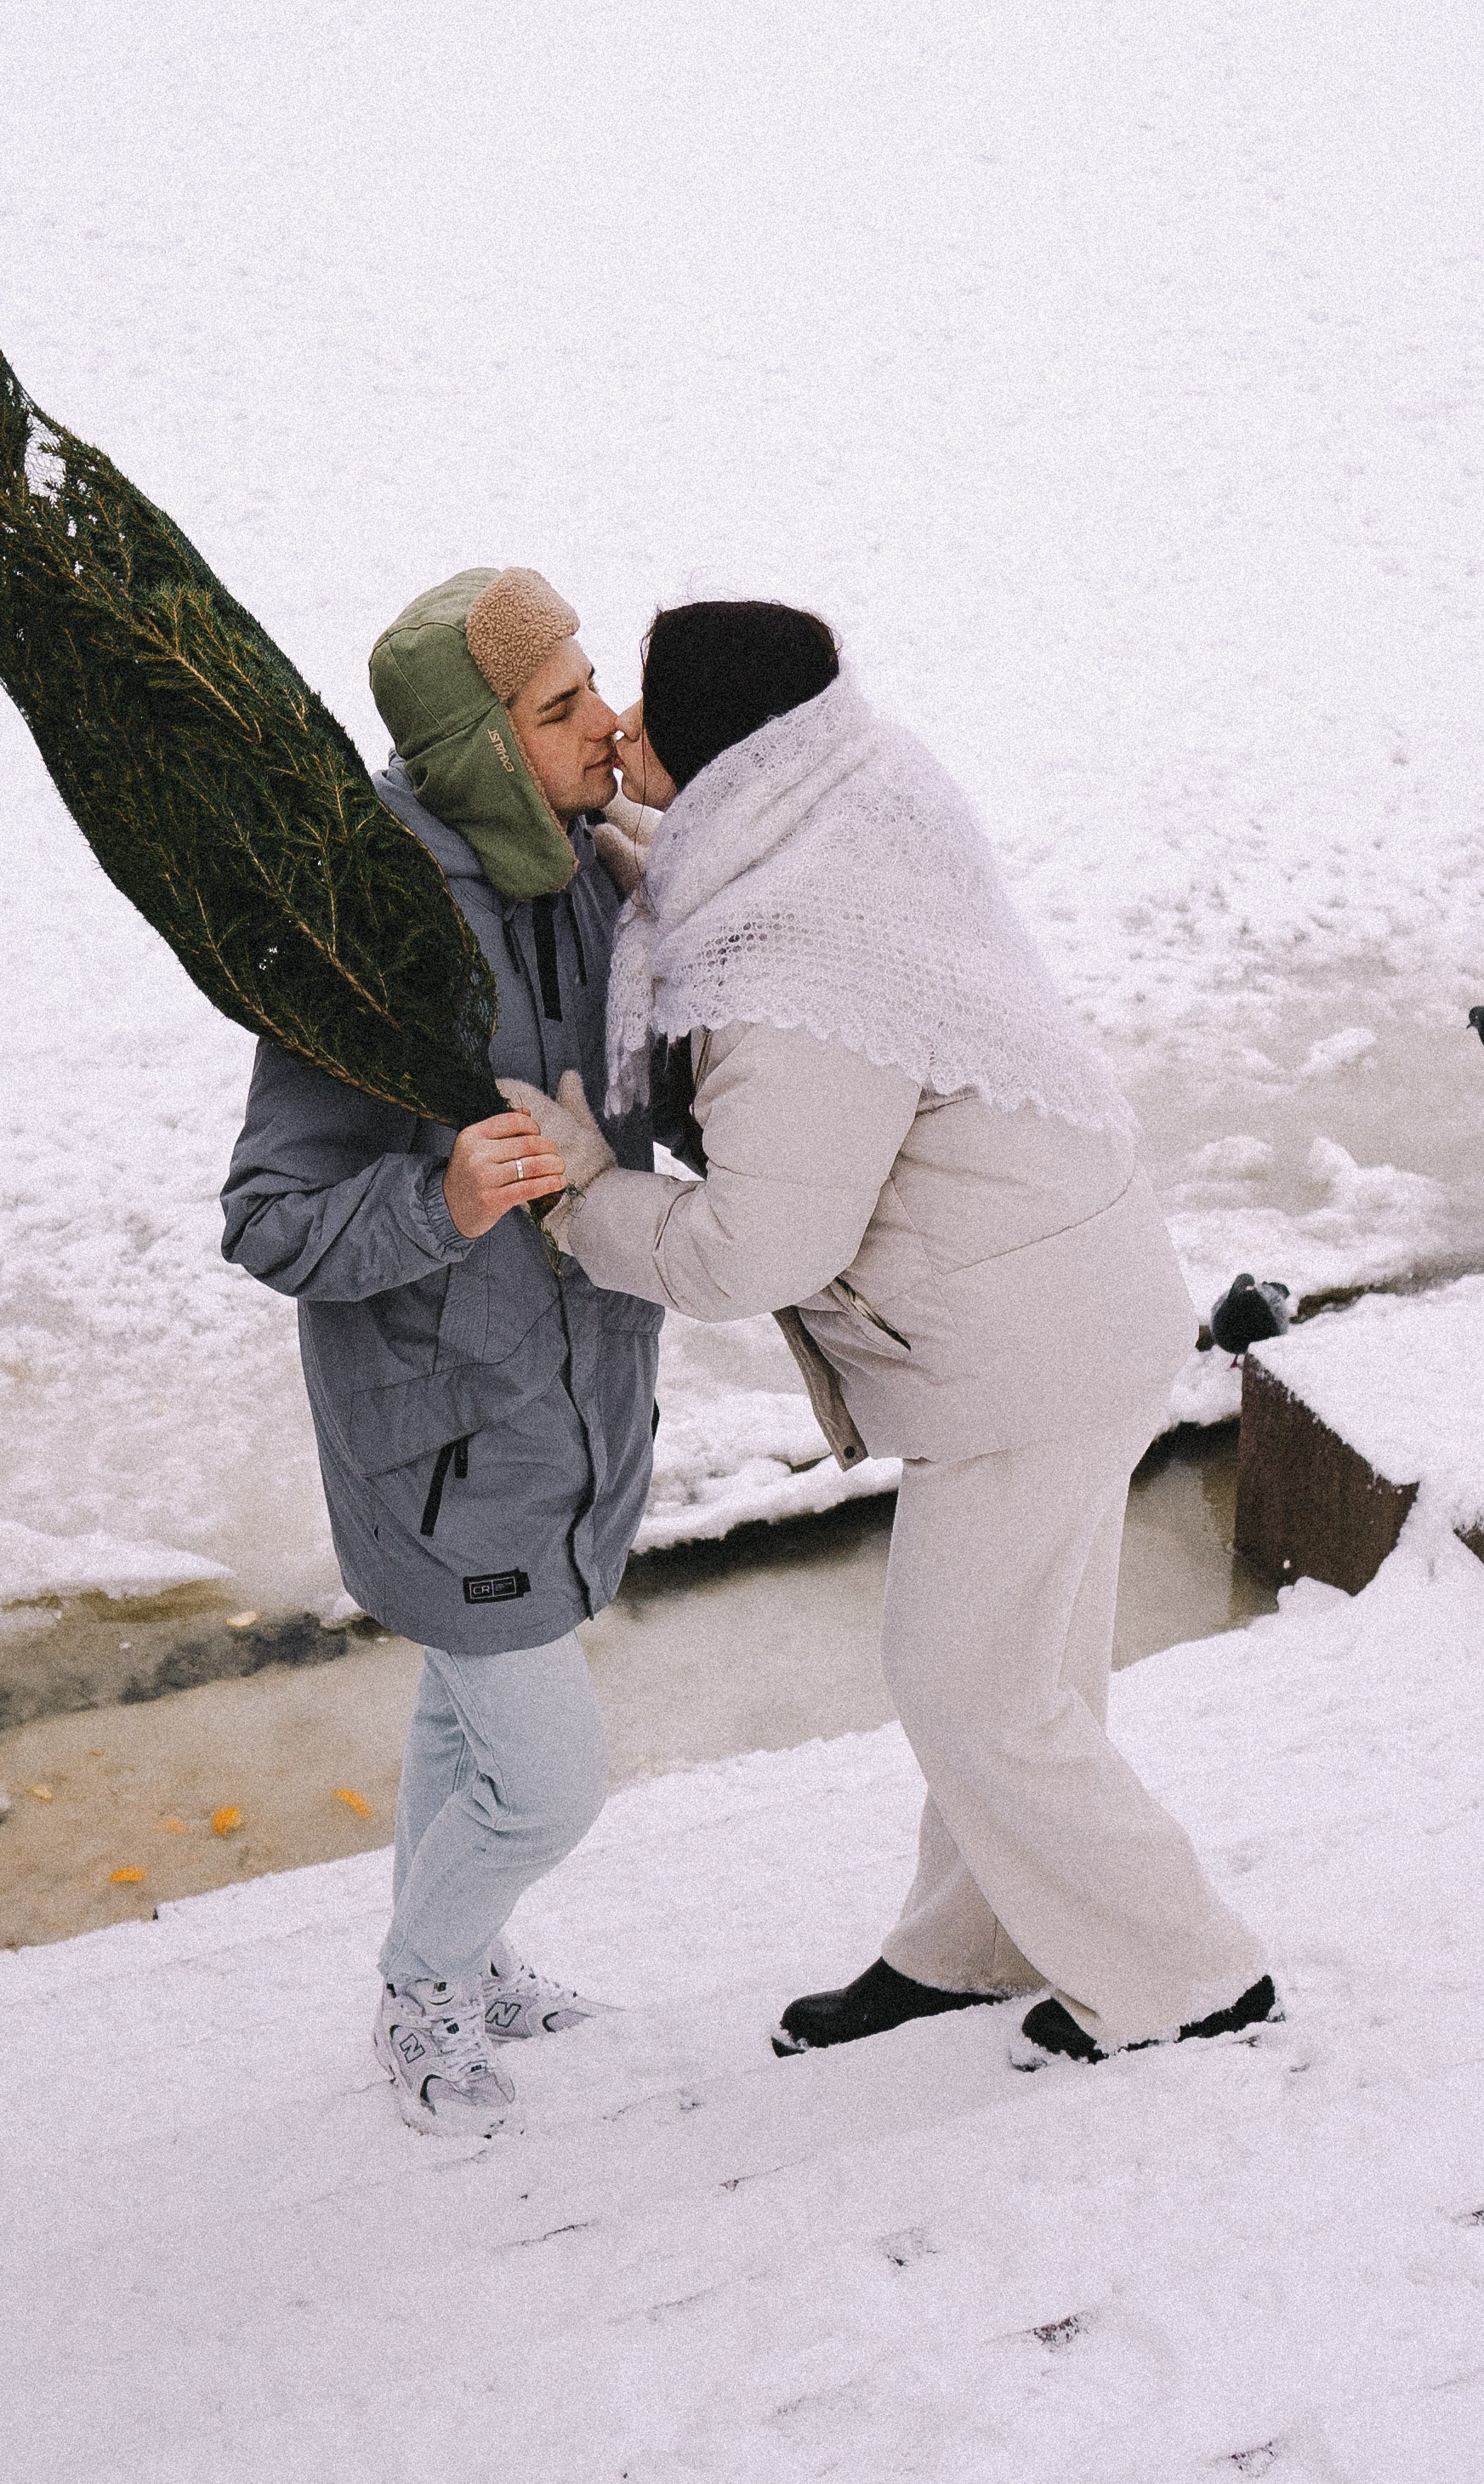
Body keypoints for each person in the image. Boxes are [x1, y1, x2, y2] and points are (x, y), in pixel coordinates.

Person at [505, 601, 1276, 2071]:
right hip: (1062, 1291)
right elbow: (729, 876)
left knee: (965, 1682)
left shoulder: (797, 982)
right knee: (1016, 1674)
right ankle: (977, 1944)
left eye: (645, 717)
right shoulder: (852, 787)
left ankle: (1188, 1974)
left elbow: (753, 1249)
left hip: (1024, 1352)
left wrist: (585, 1195)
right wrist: (628, 853)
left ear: (732, 757)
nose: (617, 732)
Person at [221, 567, 662, 2142]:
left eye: (592, 684)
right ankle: (425, 1984)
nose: (606, 723)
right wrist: (441, 1194)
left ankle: (463, 1962)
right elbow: (269, 1215)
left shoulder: (586, 875)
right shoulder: (372, 929)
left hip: (572, 1398)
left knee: (455, 1720)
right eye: (559, 709)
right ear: (481, 746)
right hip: (447, 1436)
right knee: (544, 1784)